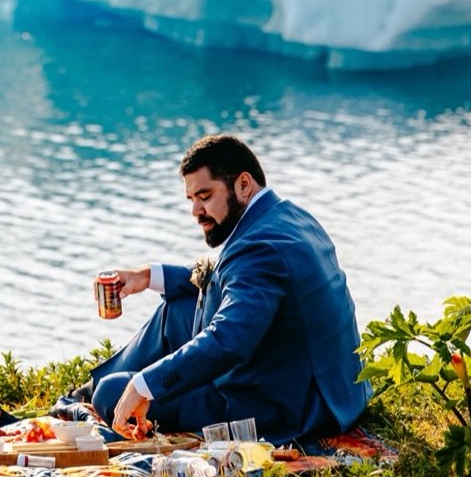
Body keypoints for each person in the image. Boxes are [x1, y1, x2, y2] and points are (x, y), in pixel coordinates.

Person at [85, 134, 370, 444]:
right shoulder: (288, 217)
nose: (195, 210)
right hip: (318, 380)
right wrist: (147, 276)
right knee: (177, 310)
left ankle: (100, 393)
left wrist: (144, 385)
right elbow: (228, 281)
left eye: (205, 196)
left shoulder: (258, 249)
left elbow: (228, 340)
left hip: (286, 406)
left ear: (243, 185)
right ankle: (87, 393)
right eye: (191, 199)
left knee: (111, 393)